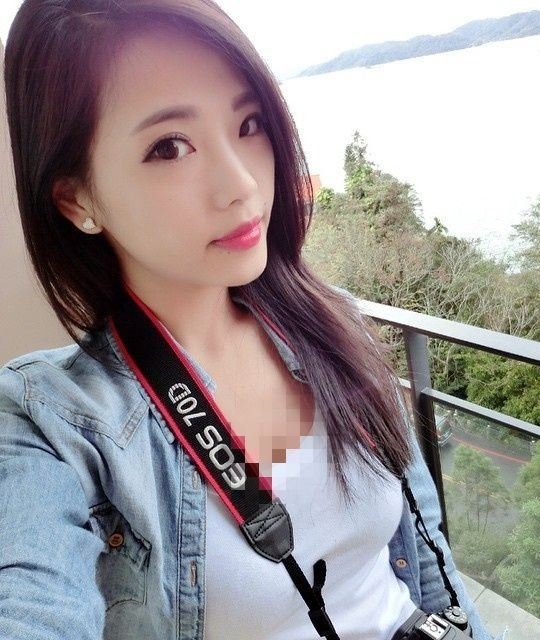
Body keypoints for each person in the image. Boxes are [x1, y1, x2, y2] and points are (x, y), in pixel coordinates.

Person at [0, 1, 505, 638]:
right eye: (170, 147)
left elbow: (431, 560)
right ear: (78, 200)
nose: (241, 183)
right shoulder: (52, 424)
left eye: (248, 123)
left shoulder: (332, 323)